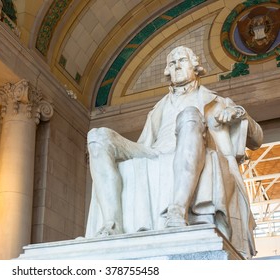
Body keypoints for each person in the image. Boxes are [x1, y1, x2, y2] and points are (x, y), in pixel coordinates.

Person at [86, 46, 263, 258]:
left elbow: (258, 138)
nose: (176, 65)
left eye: (182, 60)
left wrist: (239, 114)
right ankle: (112, 224)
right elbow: (146, 143)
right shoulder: (158, 108)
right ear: (167, 72)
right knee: (98, 136)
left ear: (196, 67)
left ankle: (177, 210)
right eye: (172, 63)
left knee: (189, 115)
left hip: (196, 145)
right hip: (155, 152)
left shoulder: (216, 101)